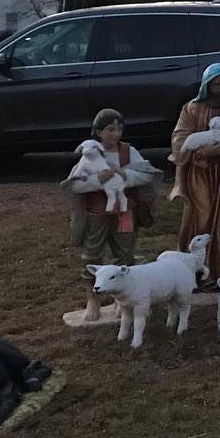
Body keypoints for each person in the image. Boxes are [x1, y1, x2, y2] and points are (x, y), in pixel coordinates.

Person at [64, 108, 160, 322]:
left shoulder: (128, 151)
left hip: (125, 211)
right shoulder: (90, 152)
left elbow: (146, 174)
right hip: (97, 212)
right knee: (92, 254)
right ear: (98, 132)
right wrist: (99, 181)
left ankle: (123, 299)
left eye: (119, 129)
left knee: (124, 254)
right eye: (110, 129)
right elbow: (75, 184)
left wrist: (124, 176)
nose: (116, 134)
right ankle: (93, 299)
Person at [170, 63, 220, 284]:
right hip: (200, 173)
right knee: (201, 216)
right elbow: (179, 141)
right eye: (216, 84)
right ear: (207, 85)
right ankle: (192, 272)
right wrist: (202, 152)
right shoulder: (192, 109)